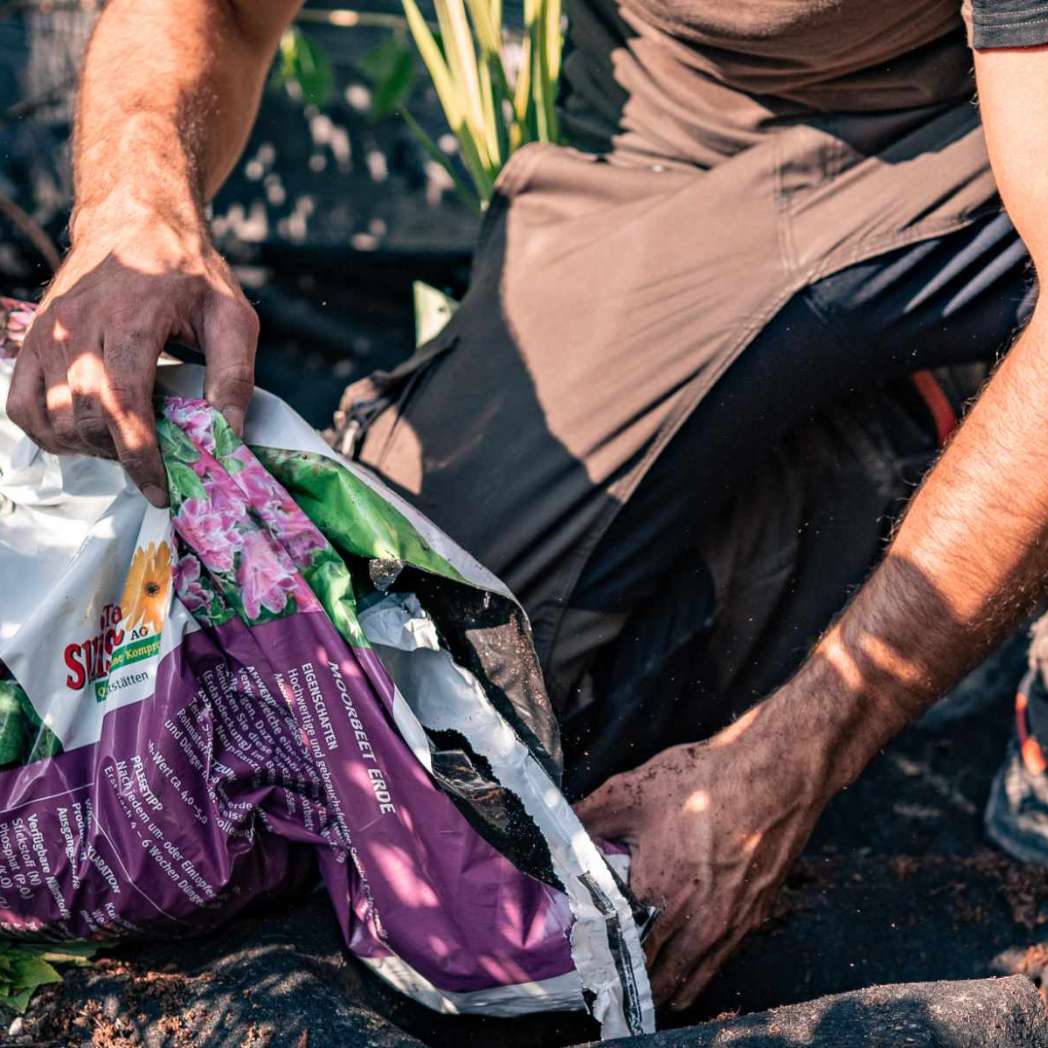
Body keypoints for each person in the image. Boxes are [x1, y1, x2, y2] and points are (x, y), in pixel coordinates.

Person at [8, 0, 1048, 1013]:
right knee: (433, 698)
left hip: (980, 137)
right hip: (684, 142)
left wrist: (792, 755)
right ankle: (878, 453)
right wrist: (137, 200)